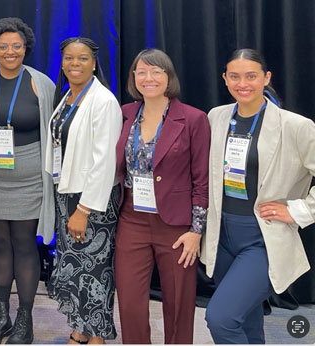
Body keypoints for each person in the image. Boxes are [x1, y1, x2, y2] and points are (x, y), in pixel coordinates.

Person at [202, 48, 315, 344]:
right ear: (225, 79)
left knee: (221, 319)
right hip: (222, 235)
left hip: (261, 238)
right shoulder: (217, 117)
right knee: (247, 324)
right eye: (235, 76)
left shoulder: (296, 126)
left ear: (266, 77)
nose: (243, 83)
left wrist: (299, 210)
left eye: (251, 76)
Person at [0, 17, 55, 345]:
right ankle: (2, 316)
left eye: (16, 46)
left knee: (23, 244)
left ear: (26, 48)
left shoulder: (40, 83)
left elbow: (52, 132)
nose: (10, 51)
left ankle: (25, 320)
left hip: (29, 182)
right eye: (3, 46)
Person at [113, 48, 210, 344]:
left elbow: (201, 180)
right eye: (141, 71)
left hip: (176, 225)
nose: (148, 78)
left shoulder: (193, 119)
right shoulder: (124, 114)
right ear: (134, 78)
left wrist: (196, 231)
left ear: (169, 77)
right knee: (129, 303)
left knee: (179, 304)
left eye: (156, 71)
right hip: (132, 219)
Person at [45, 37, 122, 344]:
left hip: (92, 202)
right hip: (67, 193)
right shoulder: (67, 97)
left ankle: (98, 336)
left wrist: (84, 209)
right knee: (73, 267)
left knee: (95, 270)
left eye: (82, 58)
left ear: (94, 63)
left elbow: (105, 162)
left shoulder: (103, 101)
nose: (74, 64)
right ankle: (79, 329)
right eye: (68, 58)